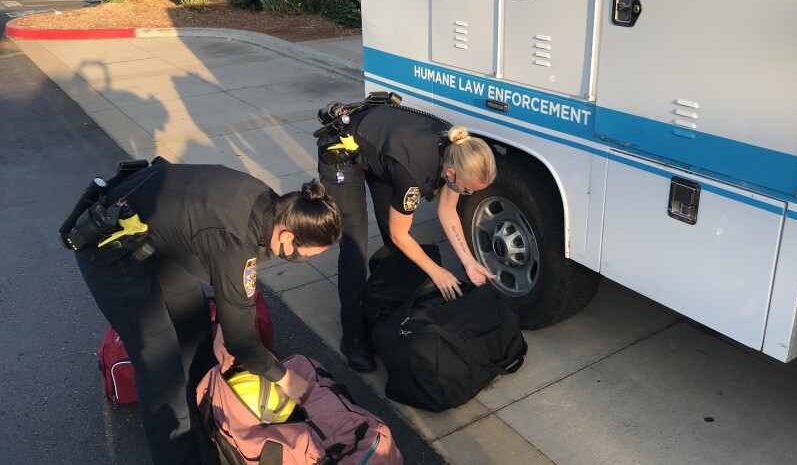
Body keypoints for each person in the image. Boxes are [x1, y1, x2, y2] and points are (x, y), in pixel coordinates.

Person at [64, 162, 342, 465]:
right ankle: (178, 456)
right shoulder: (236, 241)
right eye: (309, 254)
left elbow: (232, 293)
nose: (306, 260)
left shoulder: (270, 207)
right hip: (110, 248)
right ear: (287, 236)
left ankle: (210, 414)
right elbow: (241, 341)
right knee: (161, 367)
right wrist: (284, 378)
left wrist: (227, 326)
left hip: (154, 236)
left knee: (196, 332)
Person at [317, 103, 497, 372]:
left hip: (381, 148)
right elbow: (400, 235)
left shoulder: (457, 151)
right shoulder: (412, 176)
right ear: (450, 174)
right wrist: (436, 272)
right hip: (342, 152)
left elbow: (447, 211)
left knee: (394, 236)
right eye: (467, 189)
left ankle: (385, 302)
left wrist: (469, 262)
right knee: (354, 246)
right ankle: (353, 335)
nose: (468, 193)